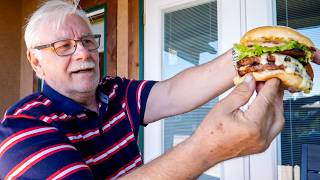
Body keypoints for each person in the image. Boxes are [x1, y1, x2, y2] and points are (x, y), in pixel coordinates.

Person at [0, 0, 318, 179]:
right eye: (64, 46)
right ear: (36, 61)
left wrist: (254, 54)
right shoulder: (22, 127)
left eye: (86, 41)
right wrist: (206, 150)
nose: (83, 53)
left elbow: (172, 92)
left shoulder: (113, 92)